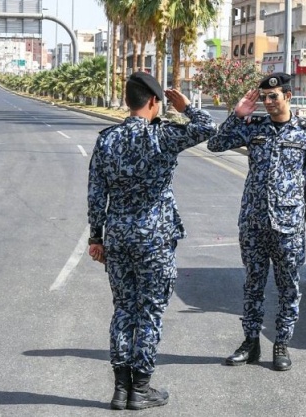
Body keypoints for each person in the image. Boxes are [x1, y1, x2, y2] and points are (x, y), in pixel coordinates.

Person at [87, 71, 217, 410]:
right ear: (155, 101)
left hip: (117, 238)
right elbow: (208, 129)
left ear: (129, 101)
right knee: (150, 312)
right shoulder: (162, 136)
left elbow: (95, 193)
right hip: (154, 240)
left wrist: (96, 237)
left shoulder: (108, 139)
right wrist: (187, 107)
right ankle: (141, 389)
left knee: (123, 310)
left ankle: (119, 389)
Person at [207, 72, 306, 371]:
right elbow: (215, 144)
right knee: (253, 284)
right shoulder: (254, 127)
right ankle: (250, 342)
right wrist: (238, 115)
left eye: (273, 97)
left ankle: (281, 344)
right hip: (253, 221)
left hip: (288, 223)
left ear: (287, 96)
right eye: (264, 97)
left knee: (289, 286)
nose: (267, 102)